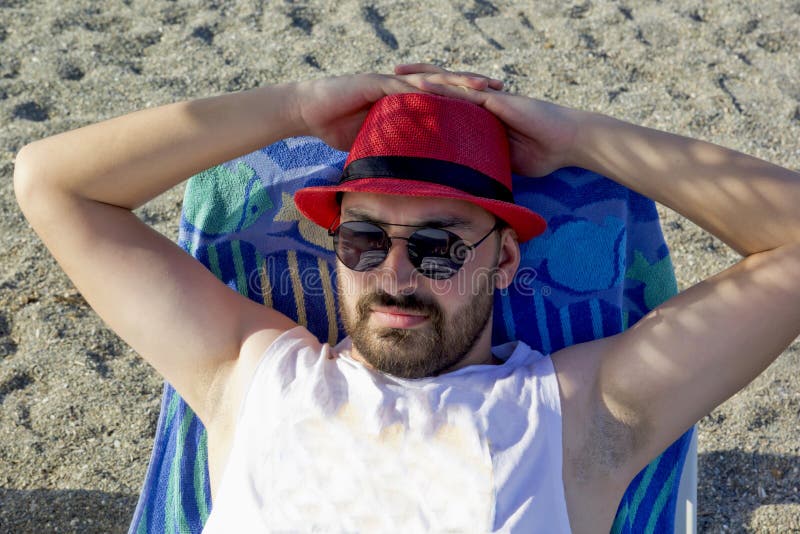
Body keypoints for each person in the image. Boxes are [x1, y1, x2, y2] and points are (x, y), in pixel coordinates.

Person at [12, 63, 800, 533]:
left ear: (505, 259)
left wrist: (578, 139)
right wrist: (294, 108)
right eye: (362, 241)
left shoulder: (581, 416)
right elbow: (50, 183)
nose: (395, 277)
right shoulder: (249, 378)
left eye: (436, 245)